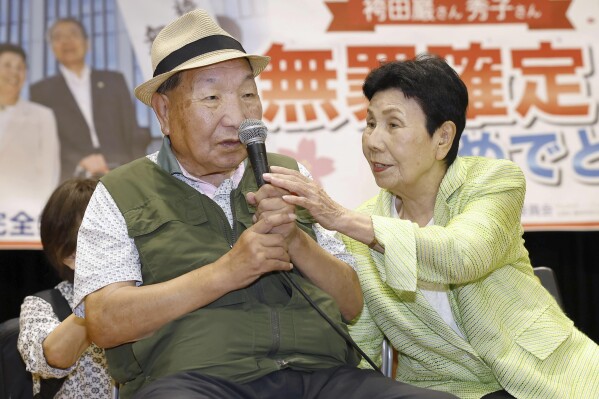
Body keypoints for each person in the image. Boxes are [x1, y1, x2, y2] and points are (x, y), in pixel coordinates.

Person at [72, 9, 457, 399]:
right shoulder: (119, 191)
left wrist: (296, 242)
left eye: (247, 95)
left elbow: (351, 301)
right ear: (164, 112)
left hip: (320, 376)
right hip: (198, 383)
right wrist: (229, 270)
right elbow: (104, 321)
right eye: (211, 97)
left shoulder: (289, 173)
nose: (238, 117)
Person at [263, 55, 599, 399]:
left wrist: (338, 217)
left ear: (442, 138)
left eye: (393, 125)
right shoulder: (359, 231)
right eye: (370, 123)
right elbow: (361, 344)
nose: (374, 141)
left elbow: (464, 255)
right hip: (442, 391)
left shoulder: (493, 181)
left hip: (545, 376)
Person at [17, 178, 114, 398]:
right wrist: (99, 294)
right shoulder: (41, 306)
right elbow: (52, 358)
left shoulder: (147, 292)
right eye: (73, 241)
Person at [30, 17, 143, 183]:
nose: (67, 41)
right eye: (58, 37)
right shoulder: (41, 91)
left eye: (73, 34)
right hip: (72, 177)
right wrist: (80, 159)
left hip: (121, 171)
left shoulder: (114, 81)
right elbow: (43, 141)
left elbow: (131, 130)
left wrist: (139, 170)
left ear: (87, 44)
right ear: (52, 48)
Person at [0, 43, 59, 219]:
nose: (14, 73)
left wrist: (39, 213)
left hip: (21, 217)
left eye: (20, 68)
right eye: (8, 65)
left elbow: (49, 171)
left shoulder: (43, 116)